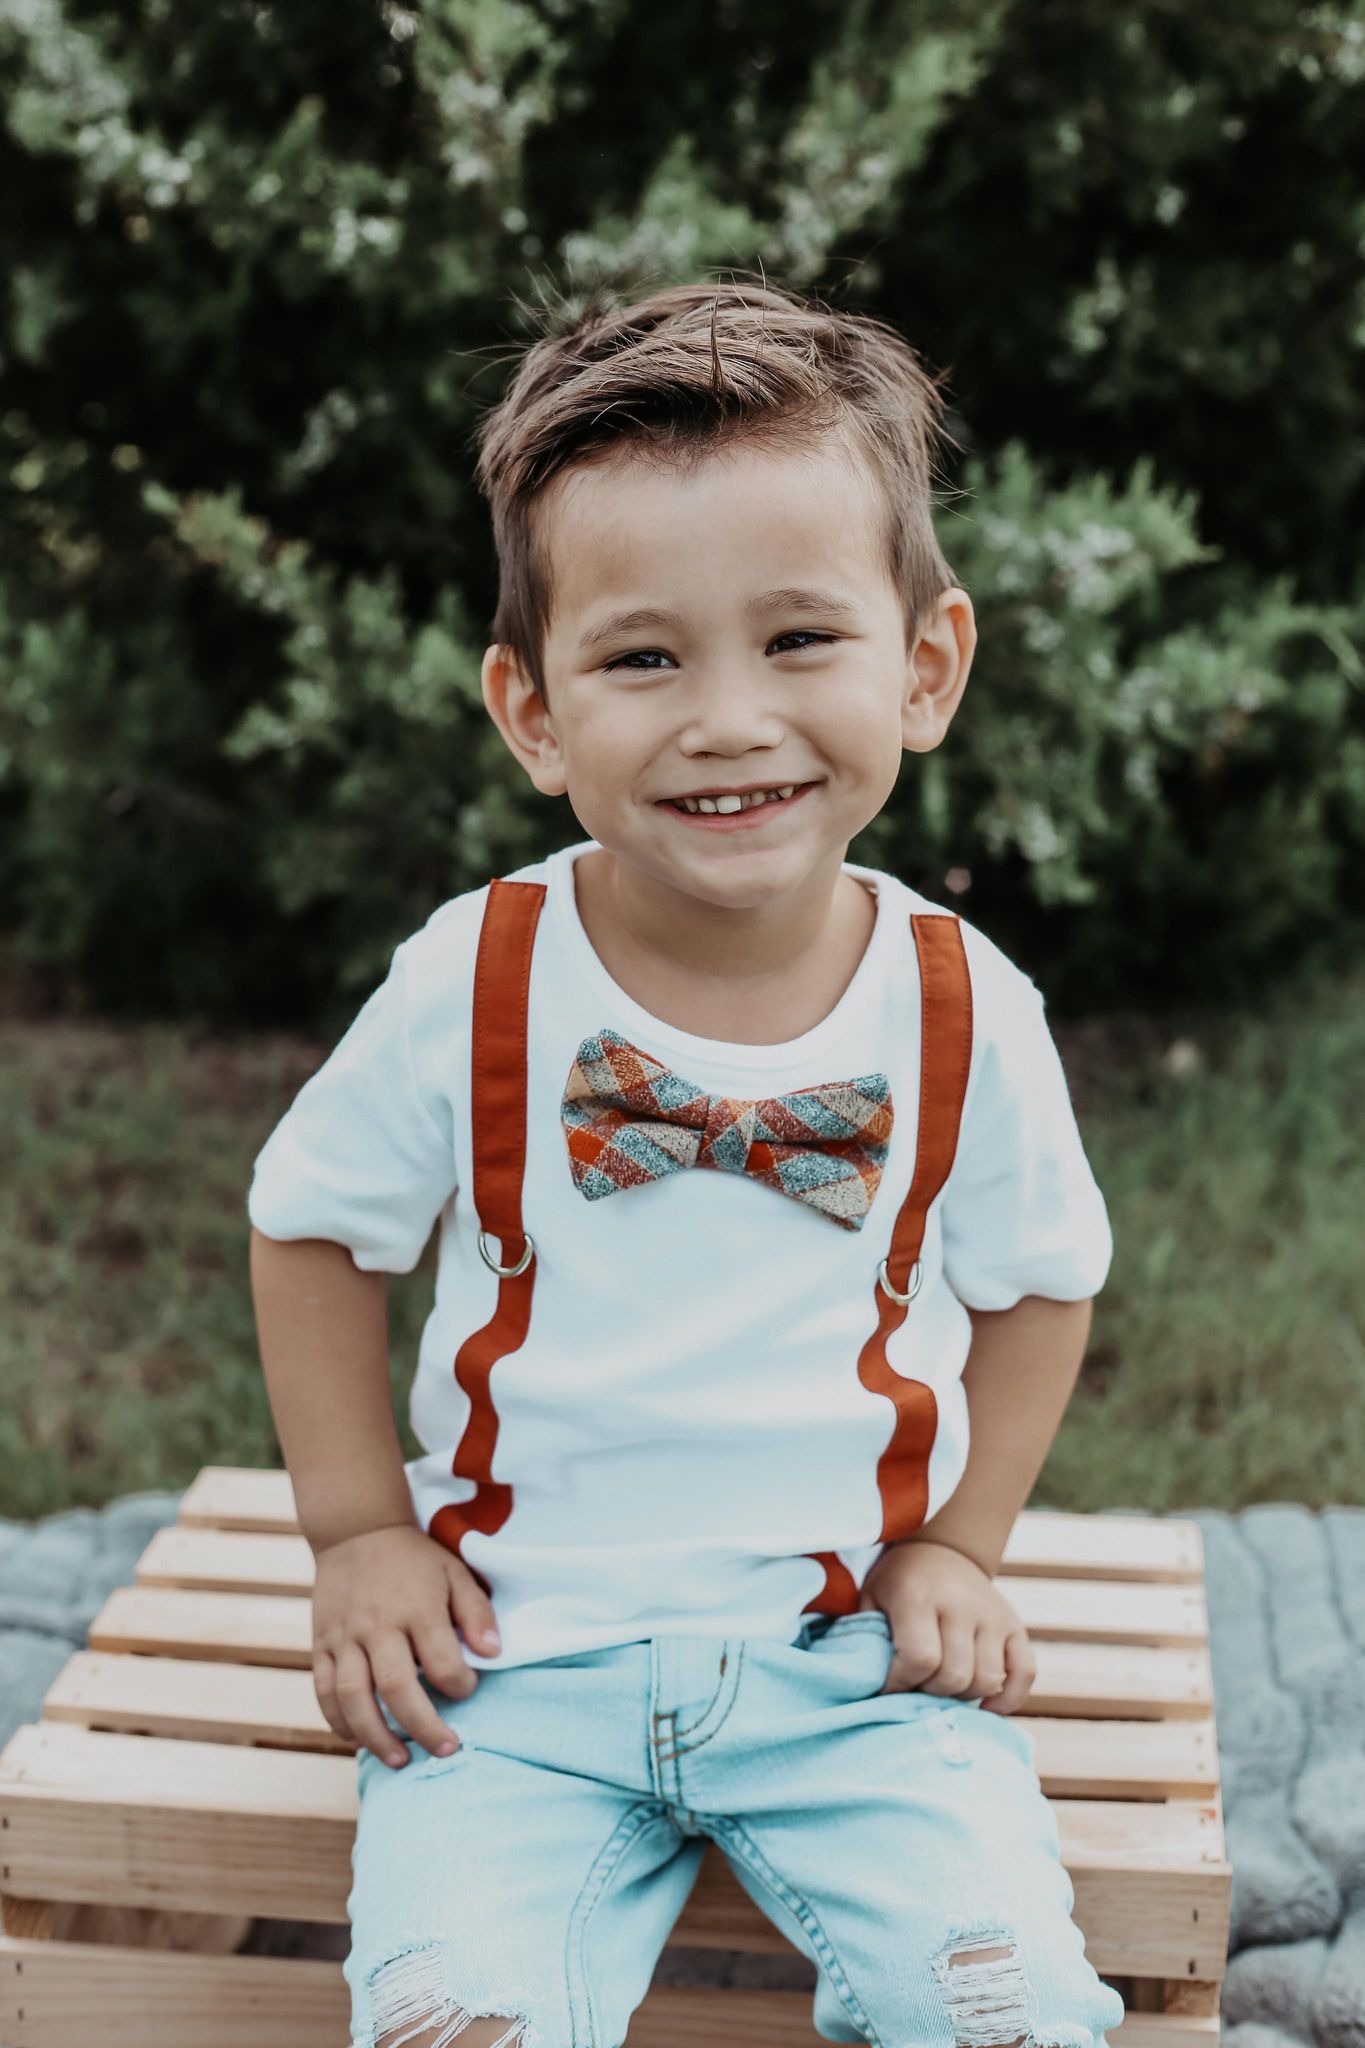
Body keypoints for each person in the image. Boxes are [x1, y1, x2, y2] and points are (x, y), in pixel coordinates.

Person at [247, 277, 1127, 2048]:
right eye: (643, 658)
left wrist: (953, 1548)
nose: (726, 718)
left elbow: (1041, 1288)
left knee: (1006, 2011)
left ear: (925, 667)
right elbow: (313, 1230)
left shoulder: (961, 1008)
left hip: (848, 1671)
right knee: (448, 2022)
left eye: (800, 641)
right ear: (533, 711)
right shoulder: (474, 977)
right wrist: (358, 1534)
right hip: (504, 1673)